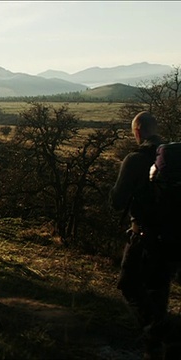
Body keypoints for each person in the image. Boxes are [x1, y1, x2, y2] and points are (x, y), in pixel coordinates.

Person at [110, 111, 181, 359]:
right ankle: (158, 350)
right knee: (158, 294)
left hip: (144, 239)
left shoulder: (135, 159)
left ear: (137, 131)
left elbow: (117, 202)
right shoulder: (173, 157)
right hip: (175, 239)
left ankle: (170, 333)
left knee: (128, 285)